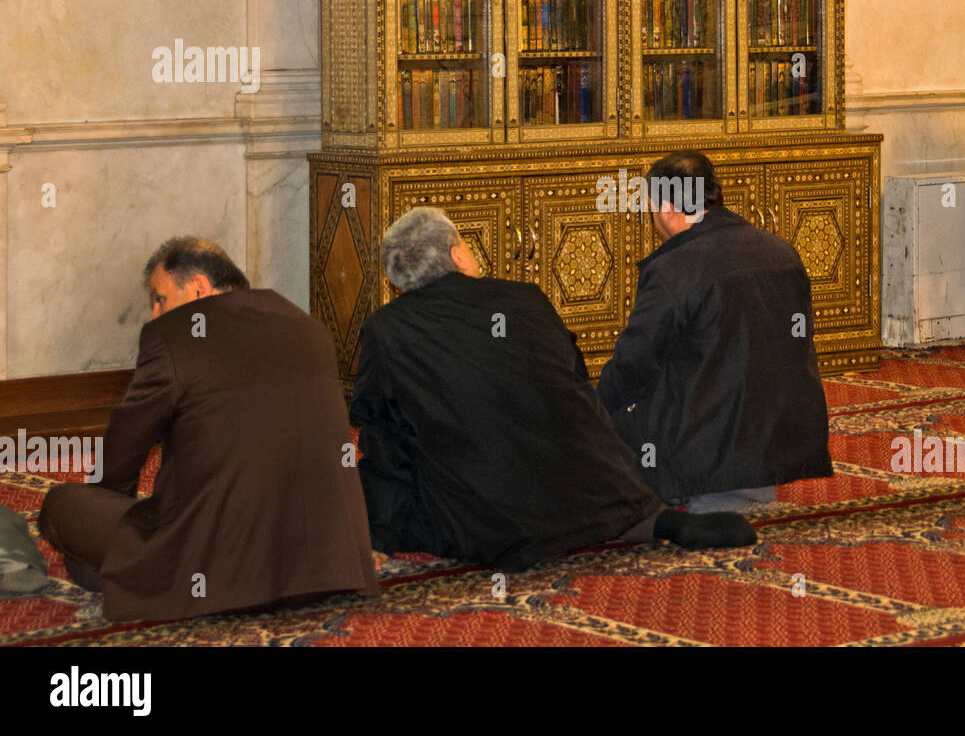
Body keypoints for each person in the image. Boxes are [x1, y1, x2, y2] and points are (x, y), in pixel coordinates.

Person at [350, 207, 756, 572]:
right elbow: (574, 383)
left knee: (393, 438)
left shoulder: (386, 330)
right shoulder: (524, 298)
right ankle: (654, 520)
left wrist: (378, 531)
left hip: (490, 519)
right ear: (458, 255)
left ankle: (523, 533)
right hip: (586, 485)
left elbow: (379, 428)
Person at [38, 238, 379, 622]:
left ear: (198, 287)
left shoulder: (172, 336)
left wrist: (113, 507)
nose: (154, 314)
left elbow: (123, 448)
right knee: (102, 552)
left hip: (214, 565)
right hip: (326, 565)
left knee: (60, 506)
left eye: (160, 298)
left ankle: (139, 578)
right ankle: (127, 573)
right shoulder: (309, 327)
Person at [597, 150, 833, 512]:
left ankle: (690, 484)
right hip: (779, 439)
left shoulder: (674, 268)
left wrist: (593, 412)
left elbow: (634, 365)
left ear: (666, 208)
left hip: (707, 444)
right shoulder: (782, 251)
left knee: (596, 432)